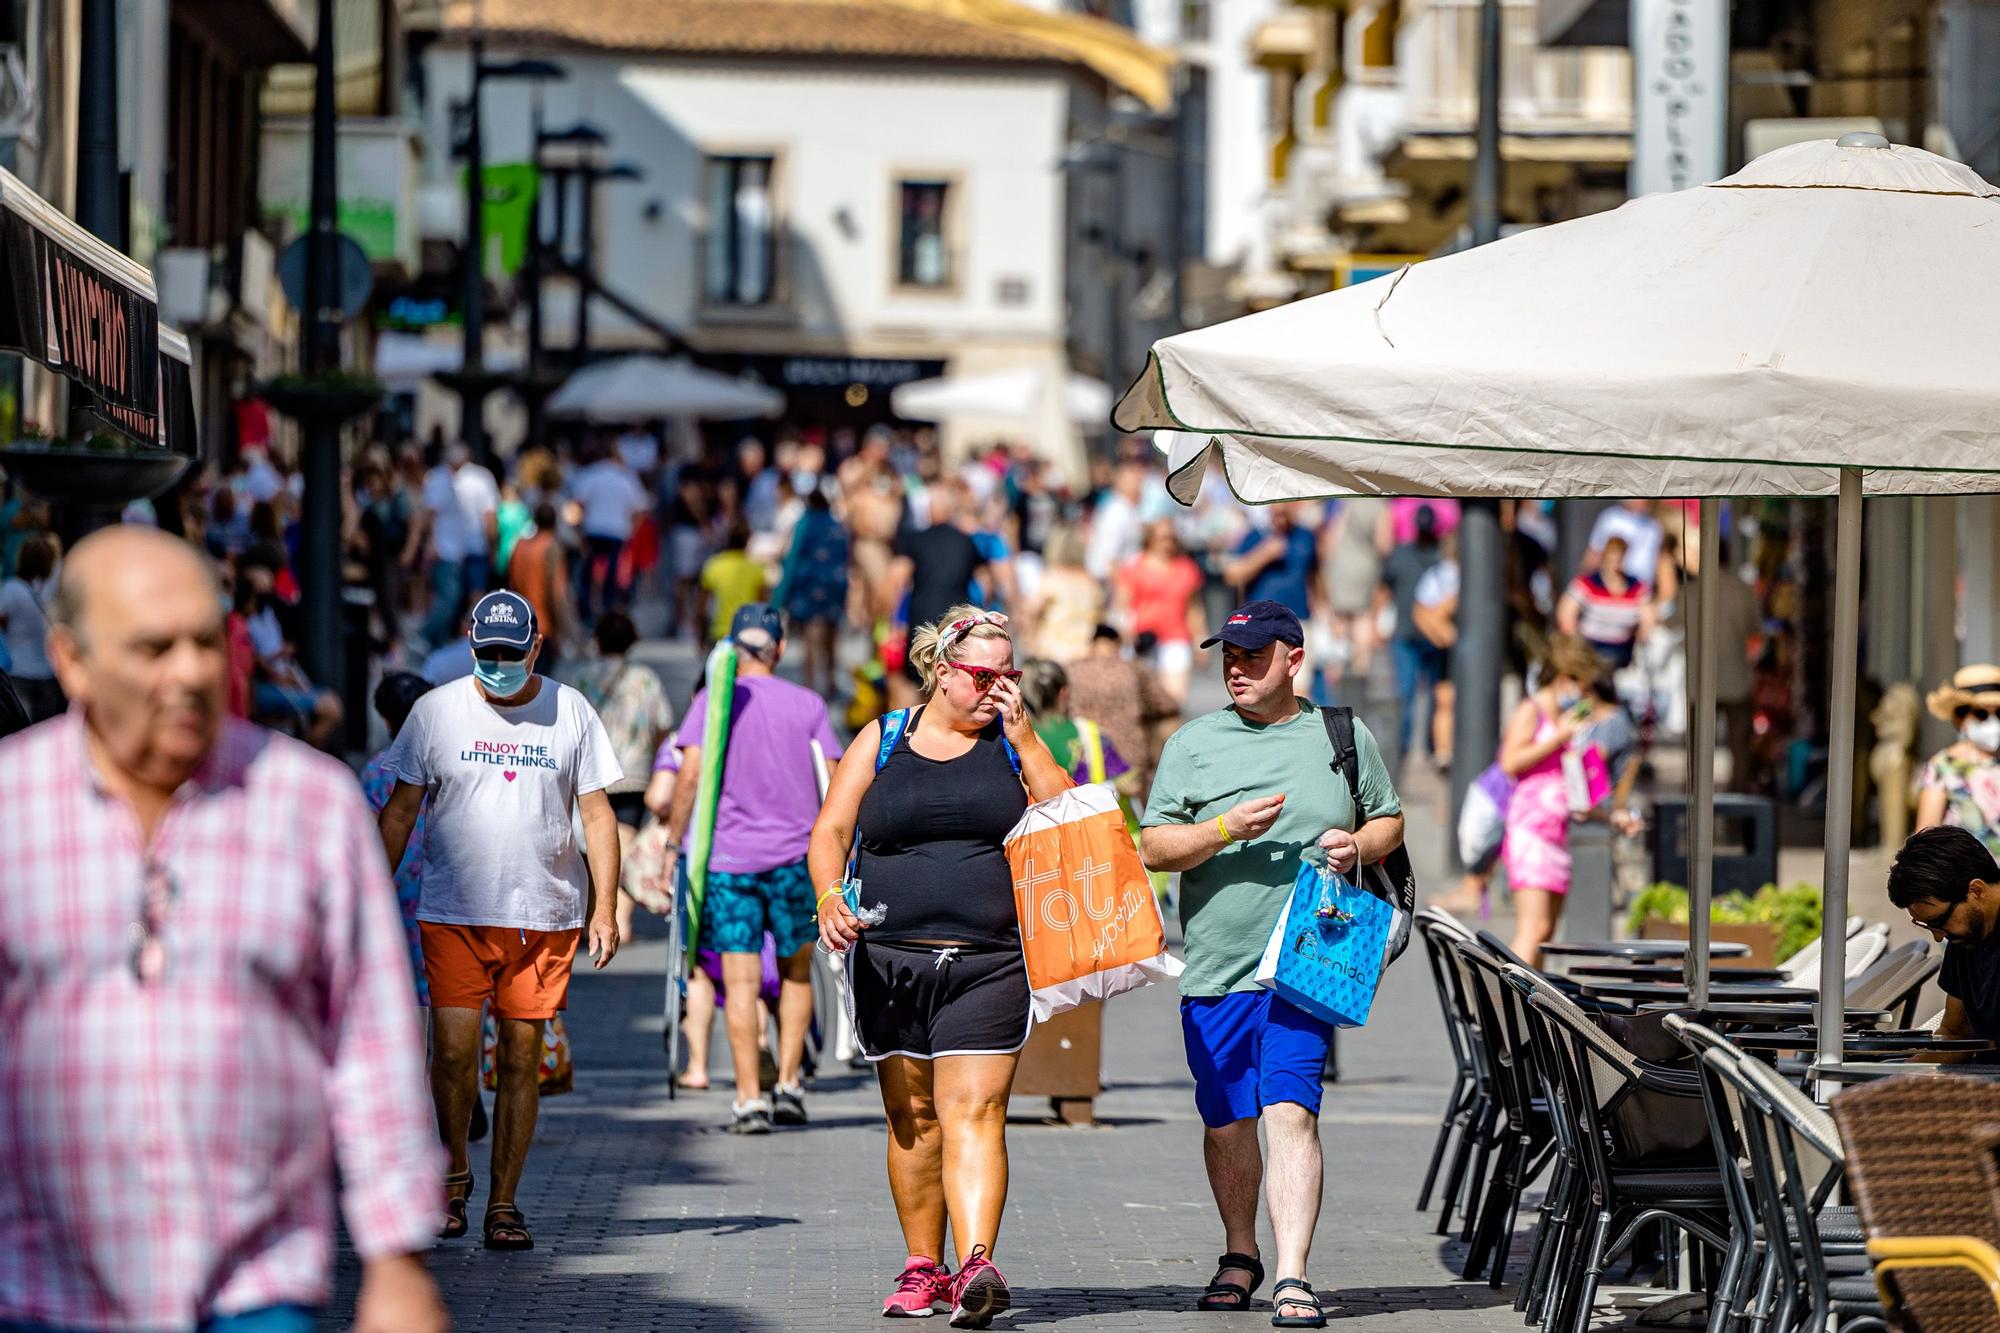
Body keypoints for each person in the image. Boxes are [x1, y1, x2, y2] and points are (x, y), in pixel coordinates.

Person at [0, 527, 445, 1331]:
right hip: (40, 1284)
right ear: (70, 661)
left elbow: (371, 1041)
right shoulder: (12, 806)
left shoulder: (309, 803)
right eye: (153, 647)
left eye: (206, 641)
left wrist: (397, 1260)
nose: (191, 672)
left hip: (255, 1282)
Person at [1138, 599, 1404, 1327]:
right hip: (1216, 966)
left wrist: (1359, 843)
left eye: (1253, 655)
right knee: (1229, 1120)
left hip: (1309, 960)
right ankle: (1240, 1250)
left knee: (1291, 1108)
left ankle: (1293, 1274)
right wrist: (1222, 829)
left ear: (1294, 657)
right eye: (1228, 654)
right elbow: (1152, 845)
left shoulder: (1340, 734)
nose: (1236, 667)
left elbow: (1389, 816)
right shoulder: (1194, 743)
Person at [810, 607, 1068, 1326]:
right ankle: (925, 1265)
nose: (999, 688)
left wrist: (1024, 735)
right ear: (942, 670)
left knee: (976, 1113)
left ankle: (978, 1262)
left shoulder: (1013, 746)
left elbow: (1067, 813)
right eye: (985, 675)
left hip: (992, 962)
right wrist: (830, 894)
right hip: (890, 962)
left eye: (1008, 675)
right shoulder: (884, 737)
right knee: (913, 1117)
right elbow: (830, 828)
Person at [376, 590, 624, 1253]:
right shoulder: (435, 712)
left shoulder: (570, 711)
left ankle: (504, 1204)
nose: (497, 665)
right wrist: (367, 891)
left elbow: (597, 814)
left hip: (543, 916)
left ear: (536, 648)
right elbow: (401, 810)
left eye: (511, 655)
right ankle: (451, 1182)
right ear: (469, 640)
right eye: (486, 653)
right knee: (453, 1053)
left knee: (520, 1060)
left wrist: (607, 904)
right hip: (454, 911)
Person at [663, 604, 843, 1131]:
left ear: (732, 649)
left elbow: (690, 773)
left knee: (739, 983)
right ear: (781, 648)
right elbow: (834, 781)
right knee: (795, 974)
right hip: (796, 861)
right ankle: (789, 1083)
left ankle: (748, 1098)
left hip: (729, 865)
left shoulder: (712, 704)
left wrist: (674, 839)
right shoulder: (808, 704)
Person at [1499, 634, 1614, 967]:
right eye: (1583, 684)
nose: (1584, 694)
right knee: (1532, 928)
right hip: (1530, 832)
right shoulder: (1531, 711)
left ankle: (1530, 1009)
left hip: (1556, 834)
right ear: (1566, 679)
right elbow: (1510, 762)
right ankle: (1506, 1002)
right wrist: (1560, 737)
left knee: (1546, 932)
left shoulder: (1564, 717)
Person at [571, 611, 675, 945]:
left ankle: (594, 916)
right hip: (633, 771)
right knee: (624, 843)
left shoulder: (581, 677)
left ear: (598, 640)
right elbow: (662, 725)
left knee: (591, 844)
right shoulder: (645, 679)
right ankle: (622, 920)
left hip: (590, 772)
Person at [1886, 826, 2000, 1063]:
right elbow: (1956, 1034)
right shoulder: (1966, 937)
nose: (1938, 937)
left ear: (1976, 890)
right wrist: (1897, 1077)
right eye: (1928, 926)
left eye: (1939, 921)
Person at [887, 481, 989, 710]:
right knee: (950, 676)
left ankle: (910, 734)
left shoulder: (916, 540)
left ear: (931, 510)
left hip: (921, 617)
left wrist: (894, 619)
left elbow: (897, 579)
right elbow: (984, 582)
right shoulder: (967, 541)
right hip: (956, 620)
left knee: (914, 680)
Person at [1065, 623, 1181, 804]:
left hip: (1085, 755)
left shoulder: (1071, 670)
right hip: (1129, 759)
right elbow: (1166, 705)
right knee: (1132, 820)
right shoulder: (1134, 669)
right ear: (1116, 644)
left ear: (1093, 643)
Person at [1378, 504, 1446, 771]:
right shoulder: (1401, 554)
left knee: (1434, 698)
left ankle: (1433, 749)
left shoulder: (1442, 556)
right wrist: (1377, 621)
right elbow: (1384, 587)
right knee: (1404, 696)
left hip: (1434, 638)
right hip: (1405, 636)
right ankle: (1401, 751)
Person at [414, 441, 500, 649]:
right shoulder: (480, 477)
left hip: (452, 549)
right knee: (467, 599)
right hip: (459, 549)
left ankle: (443, 641)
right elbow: (490, 519)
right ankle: (451, 640)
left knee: (452, 598)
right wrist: (493, 547)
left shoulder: (438, 477)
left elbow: (429, 516)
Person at [1117, 520, 1206, 704]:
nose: (1168, 542)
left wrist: (1200, 640)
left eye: (1172, 538)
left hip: (1175, 637)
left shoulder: (1186, 568)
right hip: (1143, 639)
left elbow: (1194, 608)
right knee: (1143, 698)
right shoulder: (1135, 566)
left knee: (1174, 698)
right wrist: (1124, 630)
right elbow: (1122, 604)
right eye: (1163, 537)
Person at [775, 481, 849, 699]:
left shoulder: (804, 523)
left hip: (810, 586)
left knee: (812, 637)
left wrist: (779, 598)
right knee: (832, 636)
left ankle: (810, 685)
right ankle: (831, 681)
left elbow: (792, 558)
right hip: (835, 586)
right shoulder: (837, 525)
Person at [1916, 665, 2000, 855]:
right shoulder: (1942, 767)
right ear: (1961, 718)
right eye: (1982, 713)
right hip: (1967, 881)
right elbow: (1925, 840)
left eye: (1999, 713)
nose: (1993, 722)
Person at [569, 442, 652, 623]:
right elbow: (640, 509)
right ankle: (609, 611)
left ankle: (587, 613)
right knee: (613, 575)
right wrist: (632, 530)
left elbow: (576, 506)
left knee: (588, 573)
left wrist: (578, 531)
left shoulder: (589, 474)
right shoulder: (626, 477)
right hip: (617, 531)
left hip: (593, 530)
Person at [1556, 534, 1653, 671]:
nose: (1616, 565)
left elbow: (1648, 619)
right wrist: (1577, 648)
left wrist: (1642, 640)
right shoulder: (1587, 584)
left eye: (1620, 559)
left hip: (1625, 655)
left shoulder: (1637, 587)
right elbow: (1566, 614)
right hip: (1592, 652)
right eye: (1612, 559)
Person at [1321, 496, 1390, 683]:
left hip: (1341, 566)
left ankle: (1337, 674)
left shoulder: (1345, 501)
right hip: (1366, 567)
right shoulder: (1380, 505)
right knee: (1362, 617)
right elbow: (1384, 543)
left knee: (1341, 619)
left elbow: (1331, 538)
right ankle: (1360, 669)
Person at [504, 501, 574, 677]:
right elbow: (556, 594)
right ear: (555, 522)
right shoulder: (551, 547)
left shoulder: (519, 546)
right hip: (543, 627)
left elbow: (512, 583)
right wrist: (564, 629)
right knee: (540, 683)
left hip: (518, 623)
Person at [0, 533, 62, 721]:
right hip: (49, 671)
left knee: (22, 738)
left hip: (18, 670)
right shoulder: (54, 588)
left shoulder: (12, 588)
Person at [700, 523, 768, 653]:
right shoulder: (756, 569)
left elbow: (702, 608)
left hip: (719, 632)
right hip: (747, 632)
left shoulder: (714, 565)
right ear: (748, 540)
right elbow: (762, 606)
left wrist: (701, 636)